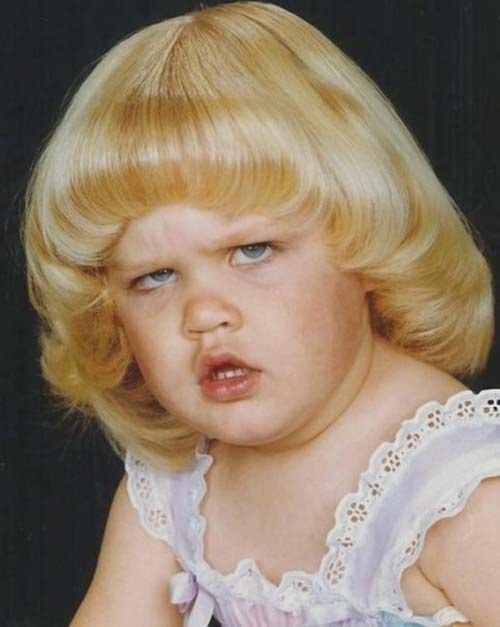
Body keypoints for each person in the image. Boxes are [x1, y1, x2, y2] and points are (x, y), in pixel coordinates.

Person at [23, 2, 499, 626]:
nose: (204, 313)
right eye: (155, 276)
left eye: (252, 251)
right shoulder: (178, 487)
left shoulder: (458, 493)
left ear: (365, 240)